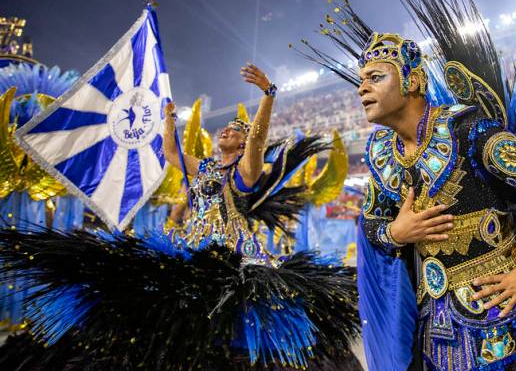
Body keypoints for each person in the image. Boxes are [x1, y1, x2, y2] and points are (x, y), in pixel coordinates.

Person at [298, 0, 516, 370]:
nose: (362, 88)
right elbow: (372, 226)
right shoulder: (381, 155)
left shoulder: (469, 131)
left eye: (375, 77)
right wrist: (397, 232)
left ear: (413, 81)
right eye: (361, 80)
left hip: (497, 322)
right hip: (431, 326)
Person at [0, 64, 362, 370]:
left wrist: (268, 94)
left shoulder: (244, 171)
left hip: (231, 248)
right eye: (228, 128)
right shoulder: (203, 166)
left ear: (242, 142)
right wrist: (169, 119)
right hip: (193, 241)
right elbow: (170, 151)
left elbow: (259, 138)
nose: (228, 131)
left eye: (235, 130)